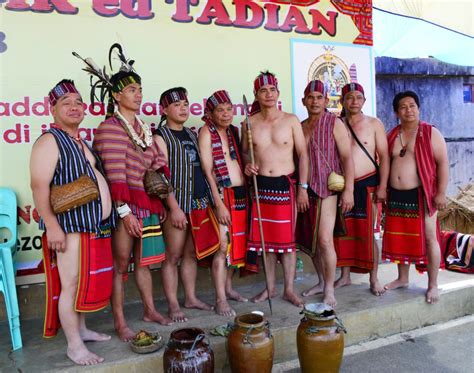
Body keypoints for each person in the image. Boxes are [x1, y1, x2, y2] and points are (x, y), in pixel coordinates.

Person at [91, 45, 173, 342]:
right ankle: (120, 321)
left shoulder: (144, 128)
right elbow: (114, 174)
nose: (138, 95)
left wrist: (161, 193)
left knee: (144, 263)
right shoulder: (109, 129)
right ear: (116, 96)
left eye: (140, 89)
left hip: (147, 203)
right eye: (132, 90)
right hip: (125, 206)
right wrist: (125, 213)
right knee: (120, 264)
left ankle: (150, 309)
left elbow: (157, 163)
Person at [30, 80, 115, 365]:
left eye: (78, 102)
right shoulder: (49, 140)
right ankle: (74, 346)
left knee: (81, 283)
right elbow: (39, 186)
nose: (74, 107)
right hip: (69, 226)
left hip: (90, 225)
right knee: (71, 283)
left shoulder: (80, 142)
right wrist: (52, 226)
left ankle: (81, 329)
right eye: (66, 102)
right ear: (51, 108)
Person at [242, 71, 309, 308]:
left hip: (285, 185)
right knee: (266, 243)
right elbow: (245, 152)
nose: (268, 94)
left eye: (272, 90)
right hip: (262, 188)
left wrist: (303, 188)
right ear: (256, 95)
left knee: (287, 243)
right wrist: (248, 164)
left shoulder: (291, 120)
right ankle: (270, 288)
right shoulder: (249, 123)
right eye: (263, 90)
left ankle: (289, 289)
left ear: (278, 93)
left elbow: (302, 155)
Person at [154, 87, 220, 322]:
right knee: (173, 256)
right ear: (164, 110)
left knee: (192, 253)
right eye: (176, 105)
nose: (183, 108)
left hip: (198, 202)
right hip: (179, 204)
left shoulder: (192, 134)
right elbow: (161, 175)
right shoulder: (161, 136)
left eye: (185, 103)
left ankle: (190, 297)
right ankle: (173, 304)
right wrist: (173, 208)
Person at [383, 90, 448, 304]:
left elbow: (443, 163)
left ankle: (433, 284)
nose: (408, 110)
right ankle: (402, 278)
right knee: (401, 238)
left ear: (418, 108)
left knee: (430, 238)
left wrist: (440, 193)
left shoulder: (430, 133)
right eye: (403, 107)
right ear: (396, 112)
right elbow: (385, 164)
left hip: (423, 194)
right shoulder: (393, 135)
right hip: (397, 195)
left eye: (412, 105)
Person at [297, 80, 354, 307]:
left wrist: (349, 190)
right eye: (310, 97)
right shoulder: (300, 126)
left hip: (327, 190)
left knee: (324, 240)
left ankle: (329, 289)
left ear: (325, 100)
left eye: (319, 97)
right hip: (305, 190)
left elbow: (347, 158)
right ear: (304, 101)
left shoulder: (334, 123)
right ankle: (321, 281)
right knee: (311, 241)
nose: (314, 101)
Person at [333, 82, 389, 296]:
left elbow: (383, 157)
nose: (354, 101)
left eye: (358, 97)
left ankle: (374, 279)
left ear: (364, 100)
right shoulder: (336, 124)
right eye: (349, 97)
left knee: (369, 233)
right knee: (343, 232)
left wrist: (383, 186)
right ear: (342, 101)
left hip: (369, 184)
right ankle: (345, 275)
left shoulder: (374, 124)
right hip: (343, 185)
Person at [198, 90, 249, 316]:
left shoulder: (234, 132)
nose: (226, 113)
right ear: (211, 113)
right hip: (221, 194)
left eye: (229, 109)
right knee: (221, 247)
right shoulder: (205, 132)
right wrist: (218, 203)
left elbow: (239, 160)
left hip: (240, 193)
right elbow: (208, 171)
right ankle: (220, 299)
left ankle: (228, 289)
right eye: (221, 110)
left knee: (235, 246)